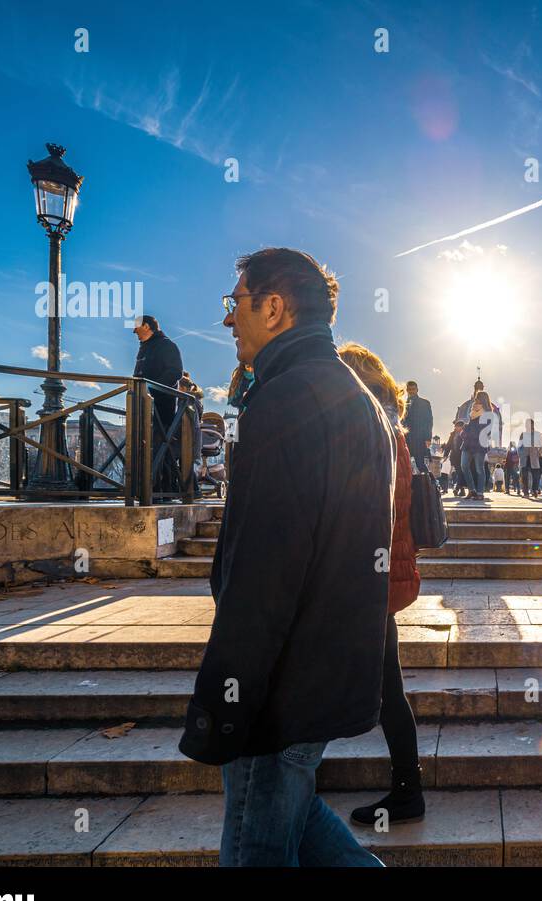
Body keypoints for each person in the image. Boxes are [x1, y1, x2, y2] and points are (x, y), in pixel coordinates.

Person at [179, 247, 392, 867]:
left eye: (236, 303)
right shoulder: (354, 397)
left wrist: (227, 696)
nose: (228, 320)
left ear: (274, 307)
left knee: (257, 848)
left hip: (278, 686)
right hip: (321, 670)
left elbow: (262, 575)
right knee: (296, 822)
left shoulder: (285, 401)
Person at [336, 343, 427, 826]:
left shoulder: (367, 426)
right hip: (384, 571)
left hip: (365, 575)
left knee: (384, 689)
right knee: (387, 687)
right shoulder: (394, 428)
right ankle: (407, 791)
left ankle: (408, 793)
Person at [132, 314, 184, 492]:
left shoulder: (166, 345)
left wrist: (152, 390)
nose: (134, 331)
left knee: (160, 447)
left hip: (161, 407)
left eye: (137, 327)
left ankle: (162, 490)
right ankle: (145, 488)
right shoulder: (145, 348)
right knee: (143, 447)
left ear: (147, 326)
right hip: (142, 406)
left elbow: (175, 372)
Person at [403, 381, 433, 473]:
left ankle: (431, 484)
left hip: (419, 438)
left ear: (417, 390)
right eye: (409, 389)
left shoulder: (424, 403)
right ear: (407, 390)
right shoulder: (403, 403)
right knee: (405, 463)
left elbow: (429, 421)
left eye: (413, 389)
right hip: (406, 438)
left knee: (420, 463)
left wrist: (428, 438)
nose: (411, 391)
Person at [518, 419, 542, 497]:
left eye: (529, 424)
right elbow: (519, 446)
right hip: (524, 457)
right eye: (526, 424)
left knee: (536, 476)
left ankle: (534, 490)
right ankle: (526, 492)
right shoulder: (523, 434)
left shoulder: (537, 434)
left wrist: (539, 452)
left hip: (534, 457)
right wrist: (520, 454)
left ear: (532, 425)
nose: (527, 426)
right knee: (524, 476)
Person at [441, 420, 466, 497]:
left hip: (463, 456)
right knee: (459, 472)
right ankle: (460, 489)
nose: (456, 428)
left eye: (457, 426)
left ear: (462, 427)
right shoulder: (452, 434)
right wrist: (445, 455)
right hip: (455, 457)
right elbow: (448, 445)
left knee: (461, 472)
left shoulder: (465, 434)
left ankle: (458, 488)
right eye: (455, 426)